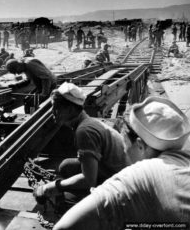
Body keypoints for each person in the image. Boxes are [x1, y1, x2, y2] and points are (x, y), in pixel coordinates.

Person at [53, 96, 190, 230]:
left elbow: (63, 227)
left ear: (140, 145)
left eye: (125, 141)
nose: (124, 148)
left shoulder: (142, 173)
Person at [34, 82, 126, 208]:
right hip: (115, 169)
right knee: (66, 166)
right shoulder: (88, 121)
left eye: (56, 108)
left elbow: (89, 181)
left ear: (70, 109)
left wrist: (53, 187)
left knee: (69, 189)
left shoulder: (84, 132)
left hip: (120, 183)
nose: (52, 112)